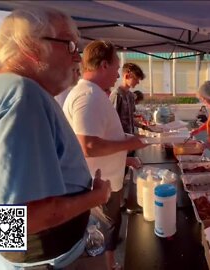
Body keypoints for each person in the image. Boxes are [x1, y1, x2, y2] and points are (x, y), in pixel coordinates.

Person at [0, 7, 112, 269]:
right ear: (30, 46)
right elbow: (31, 216)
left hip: (24, 257)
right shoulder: (22, 94)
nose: (78, 56)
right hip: (53, 260)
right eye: (70, 44)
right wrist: (98, 196)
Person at [63, 40, 146, 270]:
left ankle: (108, 265)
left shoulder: (93, 93)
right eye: (116, 68)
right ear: (103, 65)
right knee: (102, 230)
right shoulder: (87, 95)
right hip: (97, 184)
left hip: (104, 180)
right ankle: (105, 266)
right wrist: (128, 143)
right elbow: (87, 145)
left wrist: (124, 157)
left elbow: (100, 139)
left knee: (109, 227)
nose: (118, 75)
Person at [110, 62, 146, 134]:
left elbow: (130, 120)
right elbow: (111, 122)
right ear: (126, 76)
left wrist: (144, 127)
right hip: (119, 140)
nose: (138, 82)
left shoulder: (131, 96)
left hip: (129, 138)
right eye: (136, 79)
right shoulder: (116, 95)